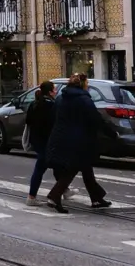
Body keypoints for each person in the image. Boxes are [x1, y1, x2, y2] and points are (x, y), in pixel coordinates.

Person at [45, 72, 116, 213]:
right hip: (78, 141)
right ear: (83, 84)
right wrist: (112, 133)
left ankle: (96, 198)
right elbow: (96, 119)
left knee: (86, 168)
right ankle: (54, 195)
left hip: (61, 137)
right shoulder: (84, 100)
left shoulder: (60, 98)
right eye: (87, 83)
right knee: (71, 169)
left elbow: (53, 117)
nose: (88, 85)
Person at [25, 80, 68, 206]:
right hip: (47, 141)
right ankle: (31, 197)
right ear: (50, 92)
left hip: (37, 141)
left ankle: (64, 190)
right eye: (54, 90)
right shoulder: (50, 105)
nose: (55, 92)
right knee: (41, 168)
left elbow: (28, 121)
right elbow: (54, 123)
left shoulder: (34, 104)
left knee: (56, 165)